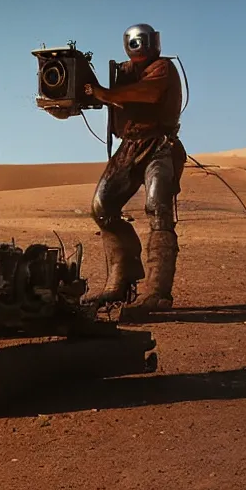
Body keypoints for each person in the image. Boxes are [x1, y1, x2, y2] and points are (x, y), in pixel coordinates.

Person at [50, 23, 187, 319]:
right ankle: (121, 279)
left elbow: (147, 94)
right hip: (128, 147)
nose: (141, 47)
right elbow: (102, 97)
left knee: (158, 211)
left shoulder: (163, 68)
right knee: (102, 207)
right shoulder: (123, 71)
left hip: (159, 145)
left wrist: (104, 92)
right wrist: (68, 101)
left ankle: (158, 294)